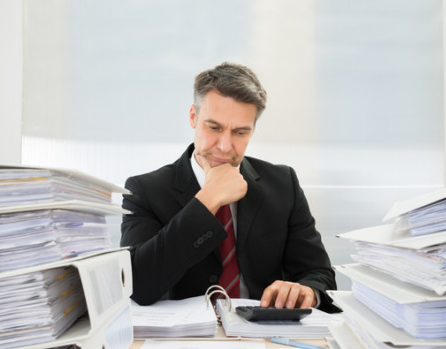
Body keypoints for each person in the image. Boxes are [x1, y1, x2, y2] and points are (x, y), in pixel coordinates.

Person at [121, 62, 338, 312]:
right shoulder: (145, 190)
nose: (225, 146)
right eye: (214, 128)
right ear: (193, 117)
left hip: (264, 336)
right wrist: (207, 201)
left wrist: (307, 290)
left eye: (240, 132)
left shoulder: (283, 183)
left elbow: (319, 274)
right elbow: (138, 286)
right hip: (186, 342)